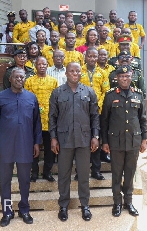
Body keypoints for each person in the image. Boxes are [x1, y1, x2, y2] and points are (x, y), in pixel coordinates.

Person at [0, 67, 42, 227]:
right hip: (5, 146)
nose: (20, 79)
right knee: (5, 180)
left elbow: (36, 123)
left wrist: (36, 143)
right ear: (10, 79)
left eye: (22, 77)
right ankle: (7, 211)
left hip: (25, 144)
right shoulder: (0, 97)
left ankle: (24, 210)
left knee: (24, 180)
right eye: (16, 77)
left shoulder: (31, 97)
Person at [49, 62, 100, 222]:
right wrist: (53, 138)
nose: (75, 73)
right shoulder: (57, 93)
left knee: (84, 174)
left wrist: (95, 136)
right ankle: (63, 206)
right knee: (64, 175)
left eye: (78, 71)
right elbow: (52, 118)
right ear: (66, 73)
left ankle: (85, 205)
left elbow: (95, 117)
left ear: (81, 73)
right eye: (72, 71)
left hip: (84, 140)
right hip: (64, 140)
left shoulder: (89, 92)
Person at [100, 65, 147, 218]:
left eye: (127, 76)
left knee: (130, 173)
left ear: (132, 77)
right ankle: (117, 203)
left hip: (134, 141)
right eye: (121, 77)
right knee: (116, 174)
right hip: (116, 142)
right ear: (117, 78)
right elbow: (104, 121)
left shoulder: (138, 95)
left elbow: (143, 120)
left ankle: (129, 202)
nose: (124, 79)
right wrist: (105, 142)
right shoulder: (110, 95)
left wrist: (144, 140)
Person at [24, 56, 58, 182]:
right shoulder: (29, 81)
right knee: (33, 148)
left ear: (47, 66)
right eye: (39, 64)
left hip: (49, 121)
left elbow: (56, 101)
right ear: (35, 66)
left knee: (50, 149)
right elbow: (26, 100)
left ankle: (47, 172)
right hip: (34, 121)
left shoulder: (53, 81)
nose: (42, 66)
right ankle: (34, 173)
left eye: (44, 64)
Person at [80, 47, 110, 178]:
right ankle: (81, 171)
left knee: (96, 139)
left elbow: (106, 91)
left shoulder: (102, 72)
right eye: (90, 56)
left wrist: (97, 104)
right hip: (82, 111)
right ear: (85, 57)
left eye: (94, 57)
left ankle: (96, 170)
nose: (92, 59)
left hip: (97, 112)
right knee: (82, 142)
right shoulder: (79, 71)